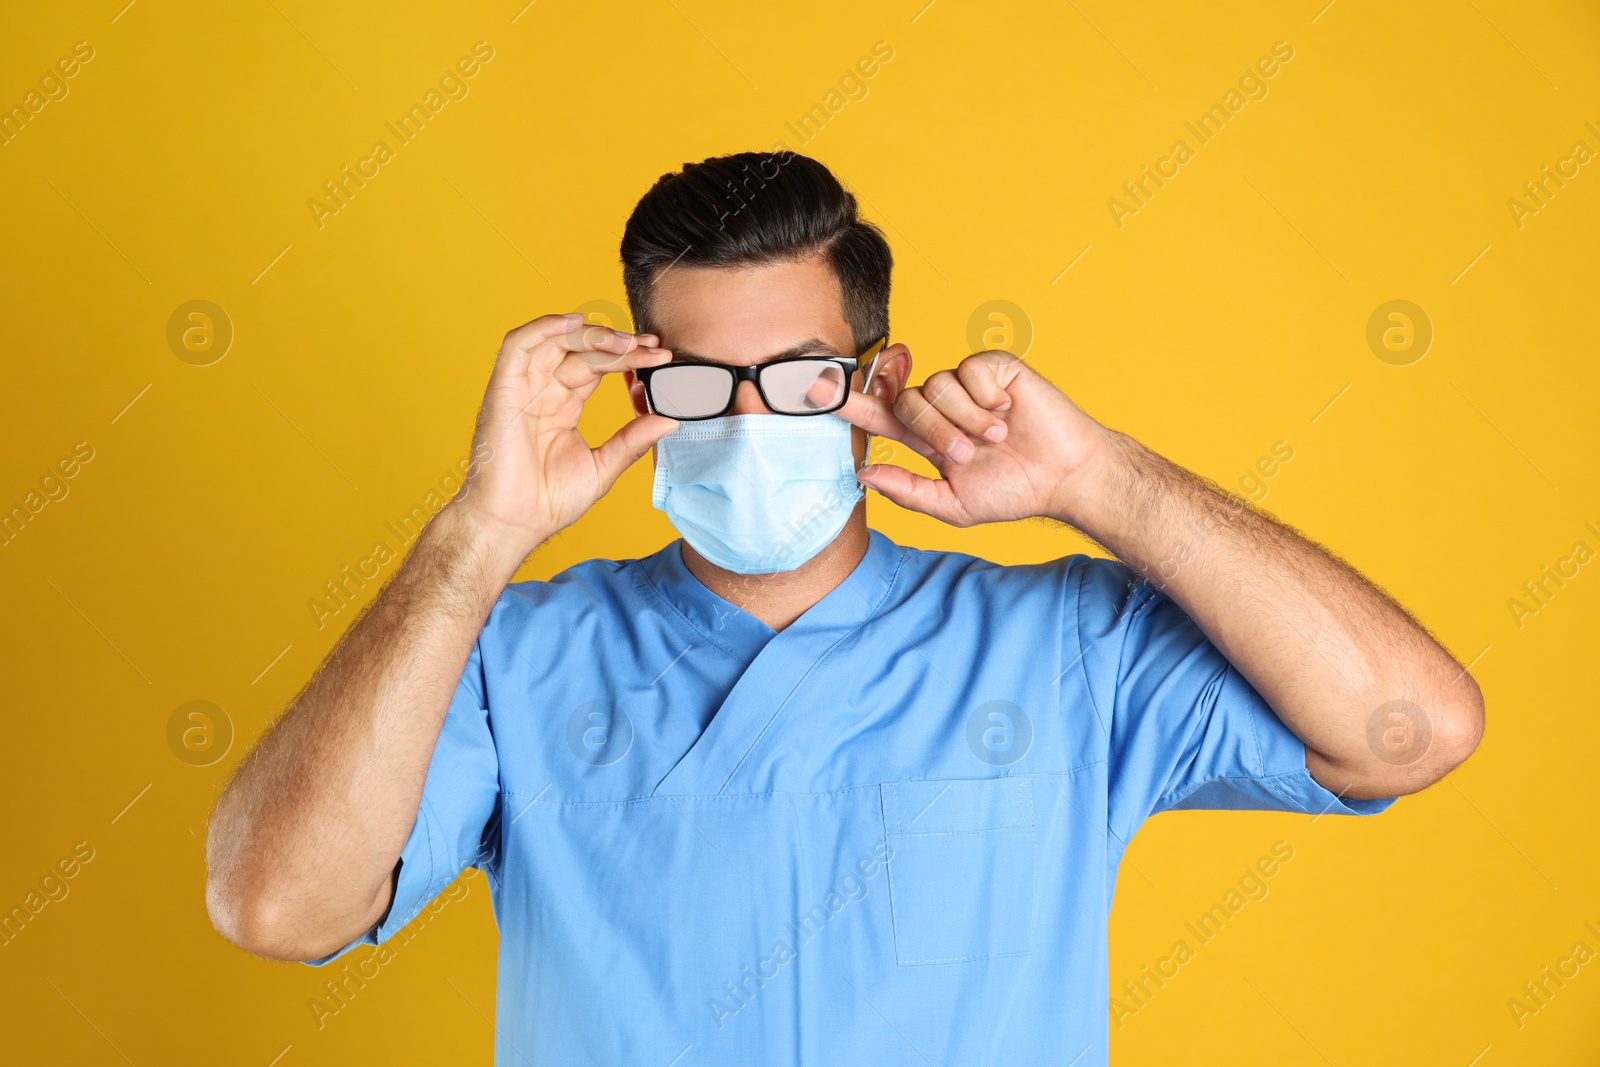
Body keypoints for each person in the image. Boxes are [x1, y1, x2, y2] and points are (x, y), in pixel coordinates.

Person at [204, 151, 1484, 1064]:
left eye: (801, 376)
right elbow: (276, 906)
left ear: (873, 378)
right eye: (702, 381)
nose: (753, 417)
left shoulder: (1063, 647)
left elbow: (1411, 728)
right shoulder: (515, 656)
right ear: (639, 395)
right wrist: (474, 537)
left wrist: (1101, 482)